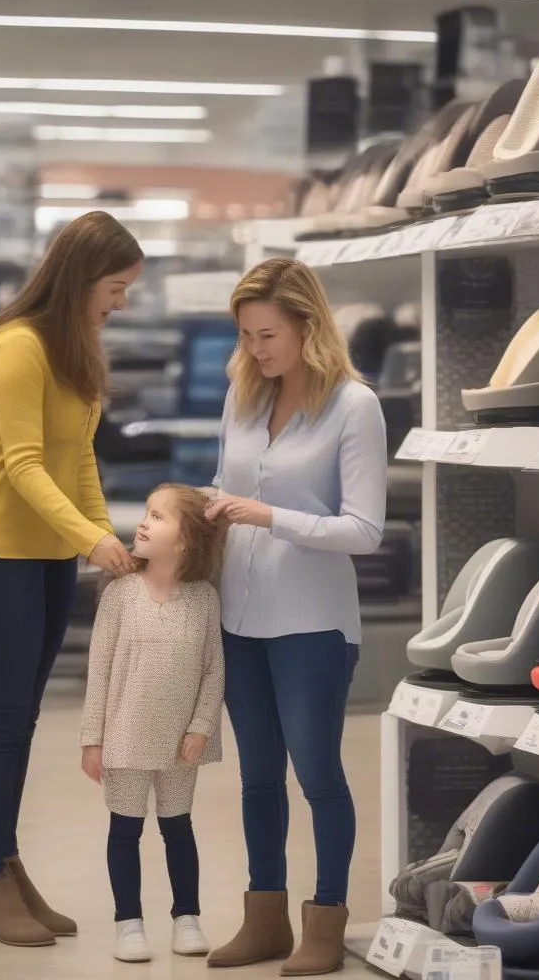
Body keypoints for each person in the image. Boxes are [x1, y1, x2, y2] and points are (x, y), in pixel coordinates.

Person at [0, 211, 141, 947]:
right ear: (81, 278)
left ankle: (7, 869)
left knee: (22, 716)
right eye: (114, 289)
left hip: (47, 548)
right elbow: (22, 464)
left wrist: (99, 535)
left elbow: (77, 457)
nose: (119, 304)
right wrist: (89, 537)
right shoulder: (17, 347)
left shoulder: (75, 347)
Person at [205, 257, 388, 977]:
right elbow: (228, 483)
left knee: (317, 774)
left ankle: (326, 919)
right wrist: (203, 504)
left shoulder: (354, 406)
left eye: (268, 334)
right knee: (256, 778)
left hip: (312, 622)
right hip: (239, 616)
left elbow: (364, 530)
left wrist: (269, 515)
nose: (256, 350)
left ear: (309, 326)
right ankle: (264, 917)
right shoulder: (244, 397)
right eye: (247, 335)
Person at [80, 484, 226, 964]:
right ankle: (129, 925)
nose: (143, 522)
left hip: (180, 743)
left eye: (158, 516)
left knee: (178, 828)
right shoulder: (120, 595)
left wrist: (201, 726)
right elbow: (98, 670)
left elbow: (213, 669)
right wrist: (93, 739)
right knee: (124, 831)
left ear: (186, 541)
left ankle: (187, 918)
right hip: (123, 738)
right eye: (146, 512)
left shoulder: (203, 599)